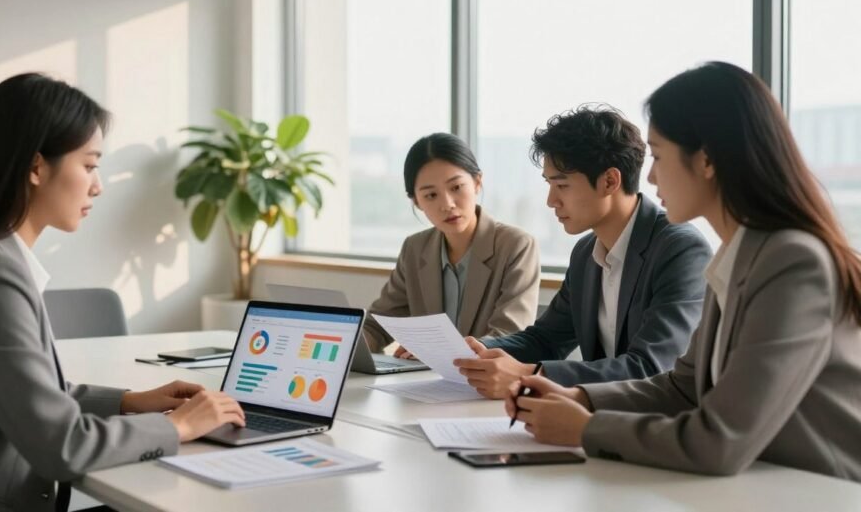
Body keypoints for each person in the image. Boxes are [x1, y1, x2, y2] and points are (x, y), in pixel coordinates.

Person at [0, 73, 246, 512]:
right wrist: (179, 427)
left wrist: (128, 402)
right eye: (88, 165)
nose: (98, 185)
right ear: (35, 167)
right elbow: (61, 445)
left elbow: (26, 394)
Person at [507, 62, 861, 482]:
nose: (651, 175)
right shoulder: (737, 254)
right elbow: (681, 387)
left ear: (706, 160)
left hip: (820, 492)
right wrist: (579, 397)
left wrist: (584, 428)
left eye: (657, 155)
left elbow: (720, 441)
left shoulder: (793, 262)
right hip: (760, 486)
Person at [454, 106, 711, 397]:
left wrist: (531, 374)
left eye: (562, 185)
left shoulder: (680, 250)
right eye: (550, 185)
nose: (551, 201)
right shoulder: (586, 252)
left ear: (610, 181)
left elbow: (651, 368)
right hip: (602, 417)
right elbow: (547, 339)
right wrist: (478, 349)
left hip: (658, 426)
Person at [364, 133, 540, 356]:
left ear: (477, 182)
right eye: (431, 195)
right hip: (422, 382)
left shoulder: (516, 245)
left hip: (486, 384)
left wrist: (435, 352)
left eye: (456, 187)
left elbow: (509, 336)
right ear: (416, 202)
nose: (447, 204)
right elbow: (378, 325)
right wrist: (348, 345)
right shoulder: (415, 249)